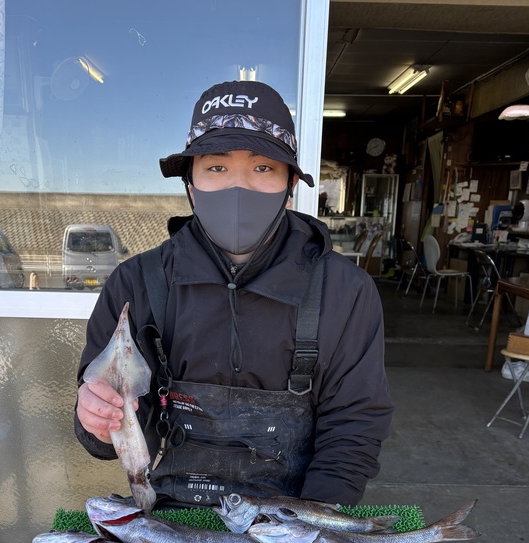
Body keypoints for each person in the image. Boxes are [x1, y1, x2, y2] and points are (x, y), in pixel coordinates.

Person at [75, 80, 393, 508]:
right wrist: (97, 421)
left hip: (298, 512)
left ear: (290, 185)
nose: (238, 189)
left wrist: (308, 535)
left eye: (263, 168)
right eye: (217, 168)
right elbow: (124, 422)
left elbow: (353, 428)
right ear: (189, 183)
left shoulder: (344, 291)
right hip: (178, 514)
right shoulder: (136, 283)